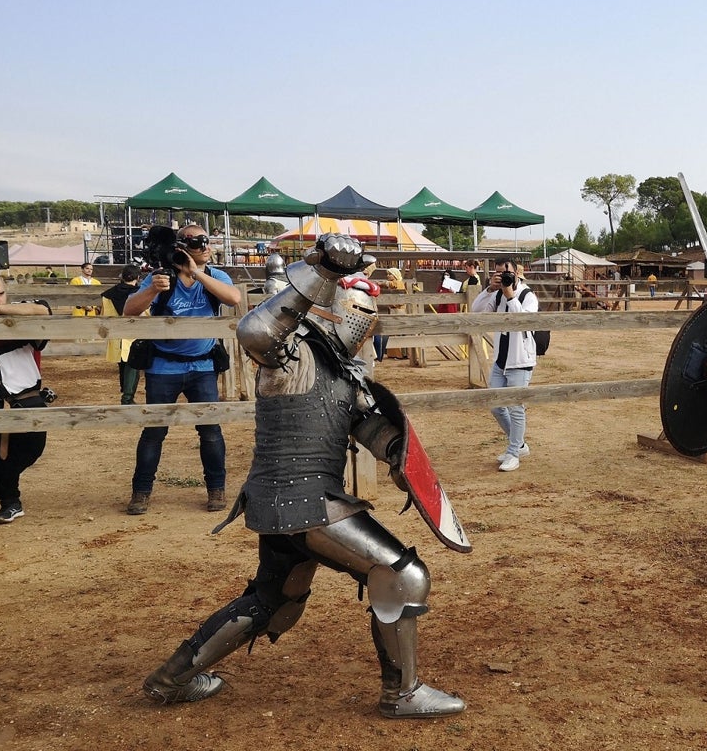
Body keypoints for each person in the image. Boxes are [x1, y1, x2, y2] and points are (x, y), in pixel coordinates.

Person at [139, 233, 465, 718]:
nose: (366, 321)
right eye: (359, 309)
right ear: (330, 309)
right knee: (403, 576)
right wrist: (325, 271)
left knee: (275, 601)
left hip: (285, 501)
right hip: (306, 501)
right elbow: (254, 331)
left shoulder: (344, 372)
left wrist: (399, 456)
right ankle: (404, 693)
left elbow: (372, 428)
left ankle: (171, 679)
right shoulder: (290, 355)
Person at [123, 225, 241, 515]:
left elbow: (234, 299)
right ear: (181, 246)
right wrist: (152, 289)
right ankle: (141, 492)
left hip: (203, 364)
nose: (205, 246)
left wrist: (196, 272)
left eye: (206, 240)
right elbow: (129, 311)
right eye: (197, 242)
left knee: (211, 431)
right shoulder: (160, 276)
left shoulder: (214, 276)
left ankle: (217, 489)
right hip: (164, 366)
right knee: (154, 431)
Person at [0, 272, 52, 525]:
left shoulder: (22, 313)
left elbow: (44, 310)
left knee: (32, 447)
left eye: (0, 293)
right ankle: (11, 502)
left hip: (26, 396)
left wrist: (0, 313)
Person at [474, 257, 538, 472]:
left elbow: (523, 321)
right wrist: (489, 290)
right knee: (495, 404)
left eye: (506, 273)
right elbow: (477, 311)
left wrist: (511, 295)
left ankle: (513, 453)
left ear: (517, 272)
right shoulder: (498, 293)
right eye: (499, 273)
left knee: (515, 407)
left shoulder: (528, 296)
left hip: (520, 360)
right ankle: (518, 444)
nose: (504, 277)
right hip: (500, 360)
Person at [100, 264, 143, 404]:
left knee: (123, 364)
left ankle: (125, 392)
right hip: (134, 333)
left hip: (116, 333)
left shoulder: (108, 294)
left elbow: (104, 315)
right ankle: (127, 397)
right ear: (137, 277)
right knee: (133, 366)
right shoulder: (140, 293)